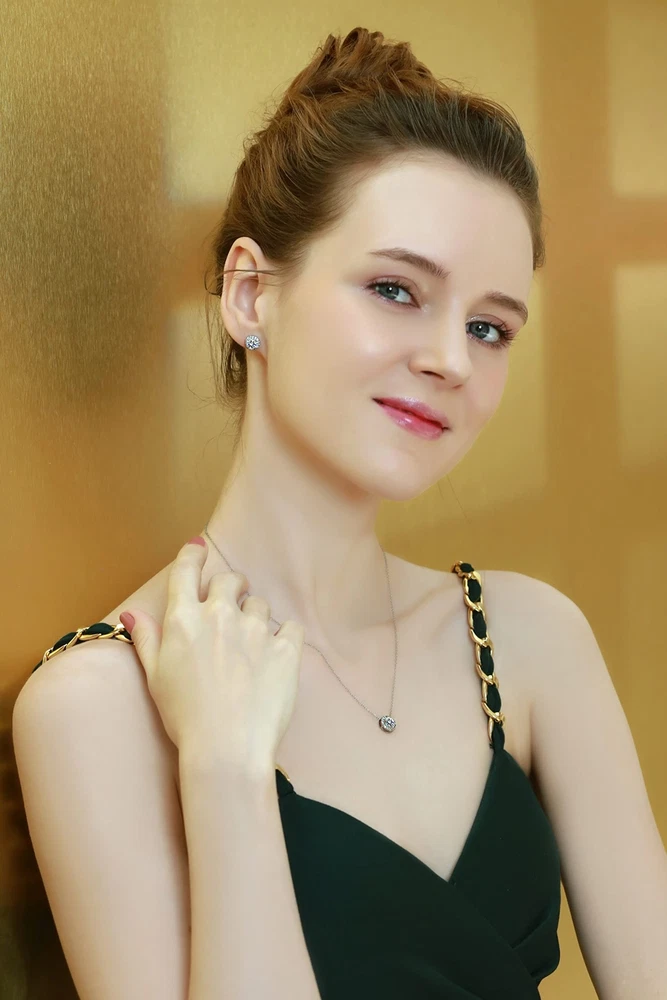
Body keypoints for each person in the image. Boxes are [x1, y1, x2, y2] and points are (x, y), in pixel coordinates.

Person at [12, 25, 667, 1000]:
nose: (450, 359)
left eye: (489, 327)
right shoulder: (97, 706)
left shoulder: (529, 639)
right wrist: (227, 773)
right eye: (395, 289)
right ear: (249, 295)